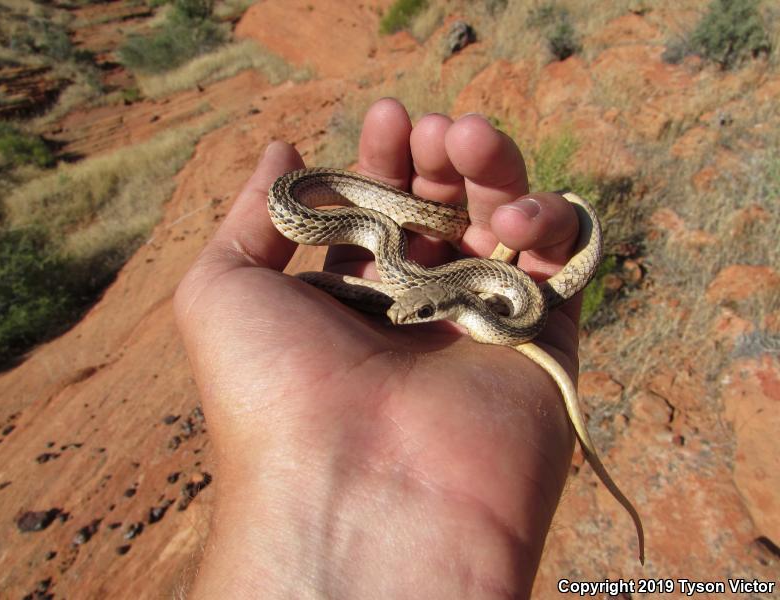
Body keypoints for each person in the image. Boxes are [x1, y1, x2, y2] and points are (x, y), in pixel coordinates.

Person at [174, 98, 584, 598]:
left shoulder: (467, 293)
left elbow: (440, 278)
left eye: (422, 313)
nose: (408, 318)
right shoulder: (380, 239)